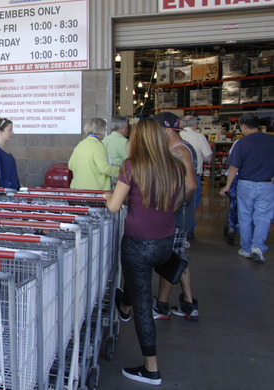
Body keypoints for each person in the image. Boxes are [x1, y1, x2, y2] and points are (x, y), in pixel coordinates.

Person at [104, 118, 187, 386]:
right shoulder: (174, 165)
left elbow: (114, 206)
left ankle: (151, 369)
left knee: (142, 303)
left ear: (138, 139)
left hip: (139, 244)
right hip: (165, 242)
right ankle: (124, 307)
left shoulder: (132, 166)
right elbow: (176, 199)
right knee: (136, 285)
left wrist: (109, 196)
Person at [152, 111, 199, 321]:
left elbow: (190, 185)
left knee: (170, 258)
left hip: (178, 216)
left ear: (169, 129)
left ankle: (162, 306)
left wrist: (172, 209)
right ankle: (189, 305)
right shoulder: (175, 149)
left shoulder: (179, 151)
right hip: (180, 214)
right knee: (179, 257)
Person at [220, 113, 274, 263]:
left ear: (243, 126)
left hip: (246, 184)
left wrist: (227, 186)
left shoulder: (241, 143)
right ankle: (258, 246)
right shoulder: (272, 140)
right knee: (263, 217)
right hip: (267, 184)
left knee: (245, 216)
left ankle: (246, 248)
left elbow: (233, 168)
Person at [179, 115, 213, 236]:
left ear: (182, 125)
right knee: (191, 204)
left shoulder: (177, 136)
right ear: (195, 125)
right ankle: (189, 230)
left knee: (176, 203)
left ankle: (177, 229)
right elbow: (208, 157)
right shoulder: (200, 137)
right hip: (194, 175)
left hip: (177, 176)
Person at [68, 118, 119, 190]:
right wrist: (123, 172)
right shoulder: (98, 145)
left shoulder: (81, 144)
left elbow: (70, 165)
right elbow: (104, 168)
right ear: (101, 130)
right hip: (95, 191)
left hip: (77, 189)